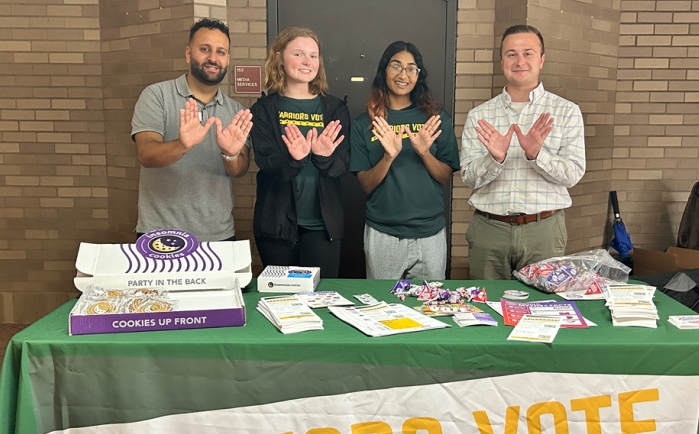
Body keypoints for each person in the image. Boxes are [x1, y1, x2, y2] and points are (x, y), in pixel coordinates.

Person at [460, 24, 586, 280]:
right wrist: (494, 159)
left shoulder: (566, 111)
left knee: (541, 310)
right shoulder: (480, 115)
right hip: (489, 229)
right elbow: (468, 178)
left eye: (528, 53)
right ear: (502, 61)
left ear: (541, 60)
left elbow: (572, 174)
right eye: (511, 54)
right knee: (486, 310)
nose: (520, 61)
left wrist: (537, 155)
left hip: (544, 231)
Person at [131, 18, 252, 242]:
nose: (213, 58)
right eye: (204, 49)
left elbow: (240, 169)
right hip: (160, 234)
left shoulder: (236, 111)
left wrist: (230, 154)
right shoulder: (156, 96)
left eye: (221, 52)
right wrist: (181, 145)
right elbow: (145, 154)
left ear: (227, 59)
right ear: (188, 54)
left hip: (219, 234)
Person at [349, 41, 459, 280]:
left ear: (418, 75)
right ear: (384, 71)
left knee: (429, 309)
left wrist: (425, 153)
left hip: (430, 233)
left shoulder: (436, 119)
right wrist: (388, 157)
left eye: (412, 68)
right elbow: (365, 184)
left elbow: (444, 177)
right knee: (383, 309)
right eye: (396, 66)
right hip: (383, 233)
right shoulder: (365, 123)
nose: (403, 74)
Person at [250, 27, 350, 278]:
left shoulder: (335, 108)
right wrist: (295, 158)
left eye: (313, 56)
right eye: (299, 54)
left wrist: (323, 157)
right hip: (276, 227)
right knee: (281, 300)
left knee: (322, 298)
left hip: (322, 226)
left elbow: (341, 167)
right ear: (279, 57)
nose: (308, 62)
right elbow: (266, 163)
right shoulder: (263, 109)